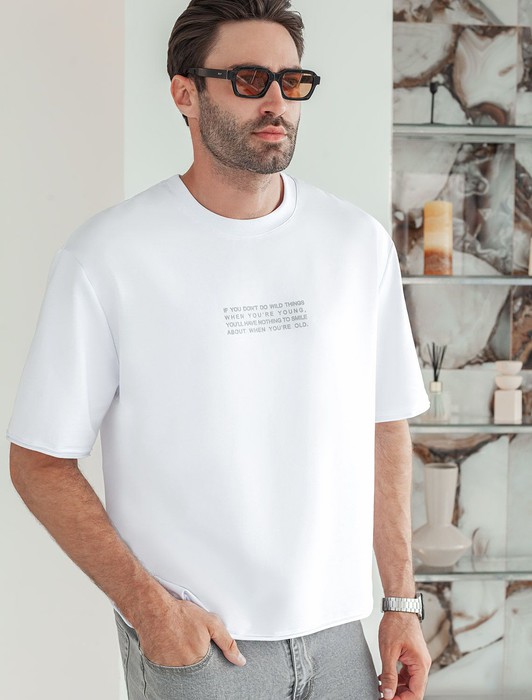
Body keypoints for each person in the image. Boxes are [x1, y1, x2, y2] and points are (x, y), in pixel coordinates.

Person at [7, 0, 432, 698]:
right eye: (248, 79)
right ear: (185, 93)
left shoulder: (357, 245)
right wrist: (151, 612)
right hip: (202, 649)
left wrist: (401, 604)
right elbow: (39, 461)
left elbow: (385, 424)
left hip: (342, 641)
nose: (276, 102)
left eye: (292, 82)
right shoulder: (109, 256)